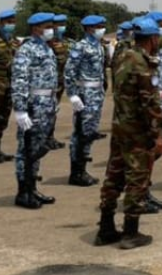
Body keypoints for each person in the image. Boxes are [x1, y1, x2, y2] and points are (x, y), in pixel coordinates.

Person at [94, 18, 162, 248]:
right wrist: (158, 135)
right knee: (137, 177)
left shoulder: (123, 56)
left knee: (114, 174)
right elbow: (150, 102)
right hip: (137, 130)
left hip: (120, 125)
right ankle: (130, 232)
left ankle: (105, 227)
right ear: (153, 39)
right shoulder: (143, 64)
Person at [11, 12, 59, 209]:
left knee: (38, 148)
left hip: (46, 103)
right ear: (35, 28)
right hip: (33, 104)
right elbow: (20, 80)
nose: (51, 29)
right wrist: (20, 109)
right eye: (47, 26)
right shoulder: (26, 50)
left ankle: (32, 188)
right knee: (26, 149)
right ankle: (23, 192)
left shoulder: (46, 49)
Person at [65, 15, 107, 186]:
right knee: (81, 133)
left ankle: (82, 169)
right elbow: (69, 71)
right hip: (85, 93)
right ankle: (76, 172)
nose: (102, 29)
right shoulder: (80, 46)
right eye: (99, 26)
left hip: (96, 92)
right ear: (90, 28)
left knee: (90, 132)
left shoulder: (98, 46)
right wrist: (72, 94)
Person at [45, 14, 70, 150]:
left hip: (60, 83)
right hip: (48, 84)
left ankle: (50, 138)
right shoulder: (47, 43)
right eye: (59, 24)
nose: (61, 27)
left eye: (63, 24)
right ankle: (44, 139)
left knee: (53, 112)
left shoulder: (64, 42)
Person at [0, 8, 18, 162]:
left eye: (13, 22)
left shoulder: (12, 41)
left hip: (8, 88)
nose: (11, 25)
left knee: (3, 119)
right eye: (8, 22)